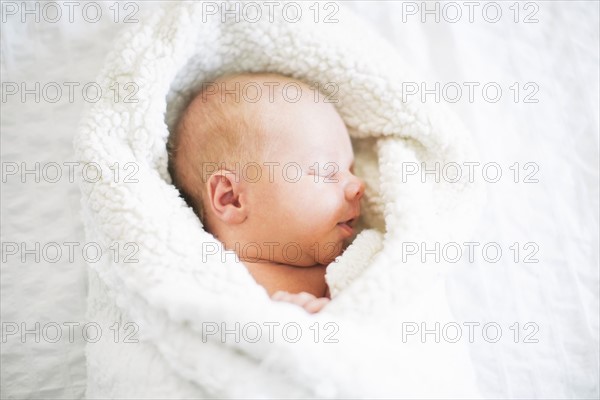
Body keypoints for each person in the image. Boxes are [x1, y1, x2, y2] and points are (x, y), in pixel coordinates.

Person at [168, 73, 365, 313]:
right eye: (325, 171)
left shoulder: (357, 265)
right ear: (231, 198)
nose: (357, 185)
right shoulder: (205, 281)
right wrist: (277, 323)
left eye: (350, 170)